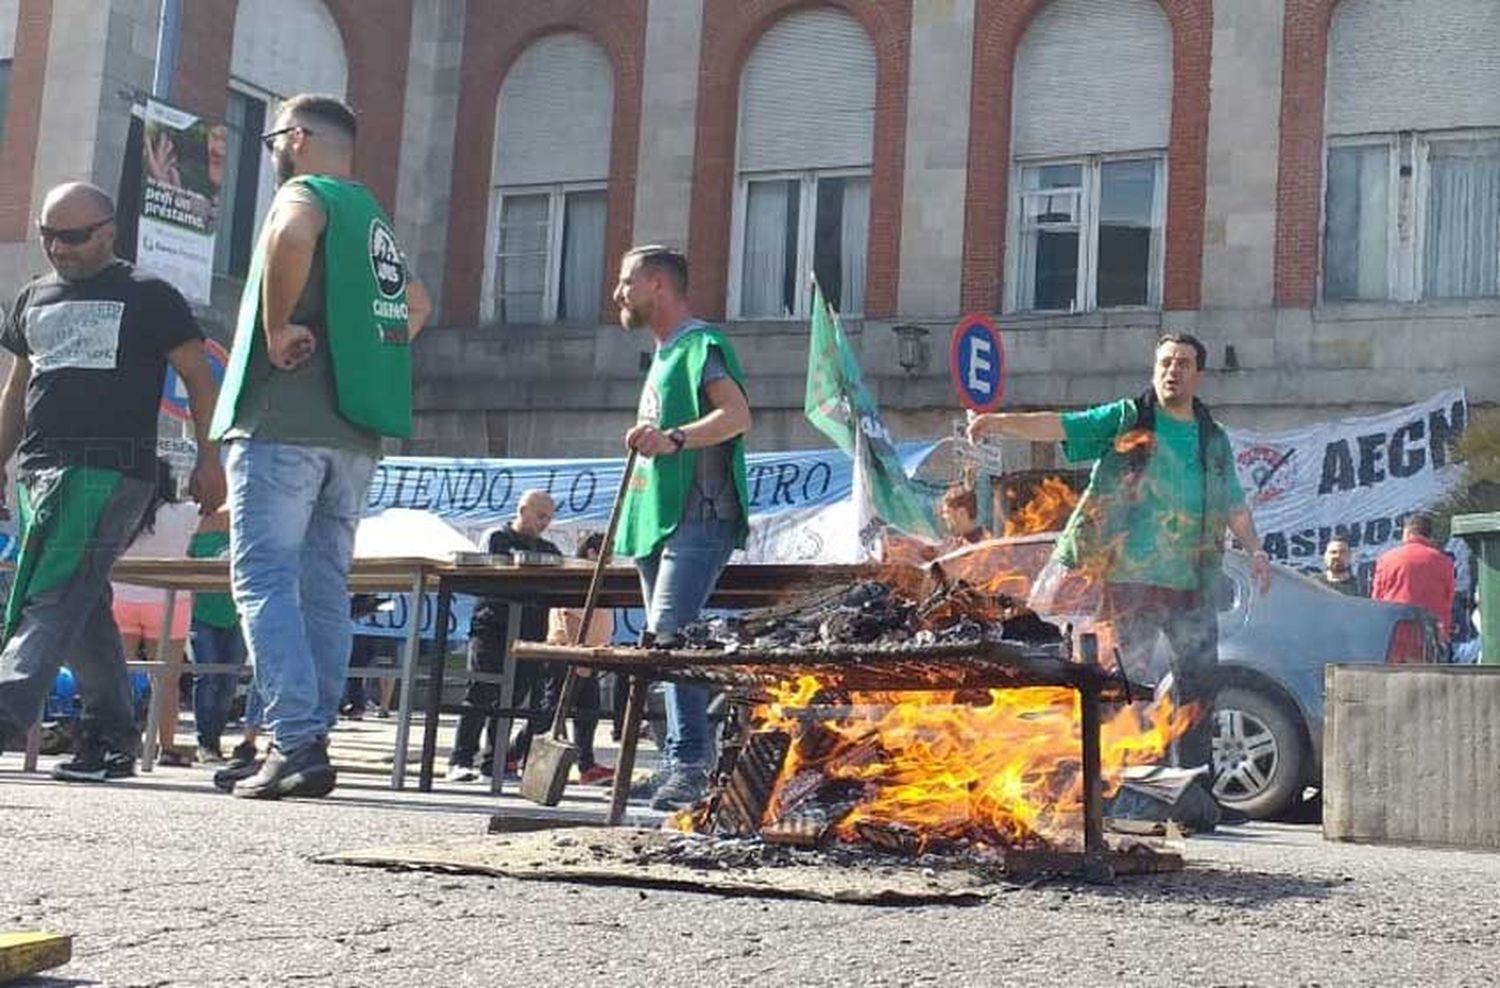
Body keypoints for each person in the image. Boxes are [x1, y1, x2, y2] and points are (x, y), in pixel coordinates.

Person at [209, 94, 431, 799]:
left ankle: (295, 739)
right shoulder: (373, 219)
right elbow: (417, 306)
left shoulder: (302, 193)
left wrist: (278, 329)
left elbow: (291, 235)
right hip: (353, 434)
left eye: (275, 137)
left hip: (284, 421)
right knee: (323, 589)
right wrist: (365, 357)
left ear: (297, 138)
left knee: (264, 581)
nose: (274, 149)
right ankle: (301, 737)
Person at [969, 333, 1270, 803]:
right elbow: (1064, 425)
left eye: (1184, 363)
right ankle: (1111, 785)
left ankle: (1195, 792)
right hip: (1130, 580)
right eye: (1166, 362)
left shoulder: (1213, 439)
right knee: (1124, 684)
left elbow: (1234, 504)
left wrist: (1255, 551)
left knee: (1198, 690)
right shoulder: (1129, 419)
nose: (1173, 370)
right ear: (1155, 369)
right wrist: (1000, 423)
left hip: (1193, 582)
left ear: (1199, 375)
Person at [0, 181, 225, 782]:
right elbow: (18, 390)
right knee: (81, 601)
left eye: (72, 237)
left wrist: (210, 459)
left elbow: (201, 382)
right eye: (48, 235)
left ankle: (6, 708)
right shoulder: (33, 297)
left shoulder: (150, 294)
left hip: (111, 467)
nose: (58, 249)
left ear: (109, 232)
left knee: (52, 590)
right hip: (38, 468)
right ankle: (111, 736)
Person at [612, 245, 752, 811]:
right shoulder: (665, 355)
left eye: (627, 281)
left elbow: (736, 416)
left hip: (699, 513)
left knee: (671, 634)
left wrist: (673, 438)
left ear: (658, 286)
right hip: (657, 515)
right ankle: (678, 759)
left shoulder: (700, 346)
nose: (618, 293)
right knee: (664, 640)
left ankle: (692, 762)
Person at [447, 490, 561, 782]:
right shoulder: (497, 537)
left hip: (531, 631)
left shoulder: (549, 549)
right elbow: (493, 574)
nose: (545, 522)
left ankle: (494, 761)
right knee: (481, 692)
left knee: (514, 698)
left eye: (549, 517)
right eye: (540, 515)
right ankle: (460, 759)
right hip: (493, 625)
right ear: (523, 510)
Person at [111, 460, 200, 766]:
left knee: (116, 675)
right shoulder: (185, 514)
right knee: (165, 680)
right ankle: (167, 746)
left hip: (120, 597)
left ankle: (114, 738)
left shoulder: (118, 510)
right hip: (169, 603)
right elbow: (227, 515)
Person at [545, 531, 615, 786]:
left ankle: (586, 765)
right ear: (593, 552)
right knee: (555, 711)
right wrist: (579, 657)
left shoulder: (598, 577)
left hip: (588, 654)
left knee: (588, 711)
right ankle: (517, 754)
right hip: (571, 653)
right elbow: (571, 617)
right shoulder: (583, 576)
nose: (612, 557)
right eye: (609, 551)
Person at [185, 505, 248, 763]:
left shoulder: (244, 529)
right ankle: (205, 742)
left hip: (236, 615)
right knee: (207, 676)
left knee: (229, 680)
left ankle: (216, 738)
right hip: (202, 614)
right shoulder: (194, 527)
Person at [1372, 512, 1455, 650]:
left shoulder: (1386, 559)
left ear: (1407, 532)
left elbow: (1377, 600)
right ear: (1429, 535)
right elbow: (1448, 599)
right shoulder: (1445, 562)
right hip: (1431, 636)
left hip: (1395, 634)